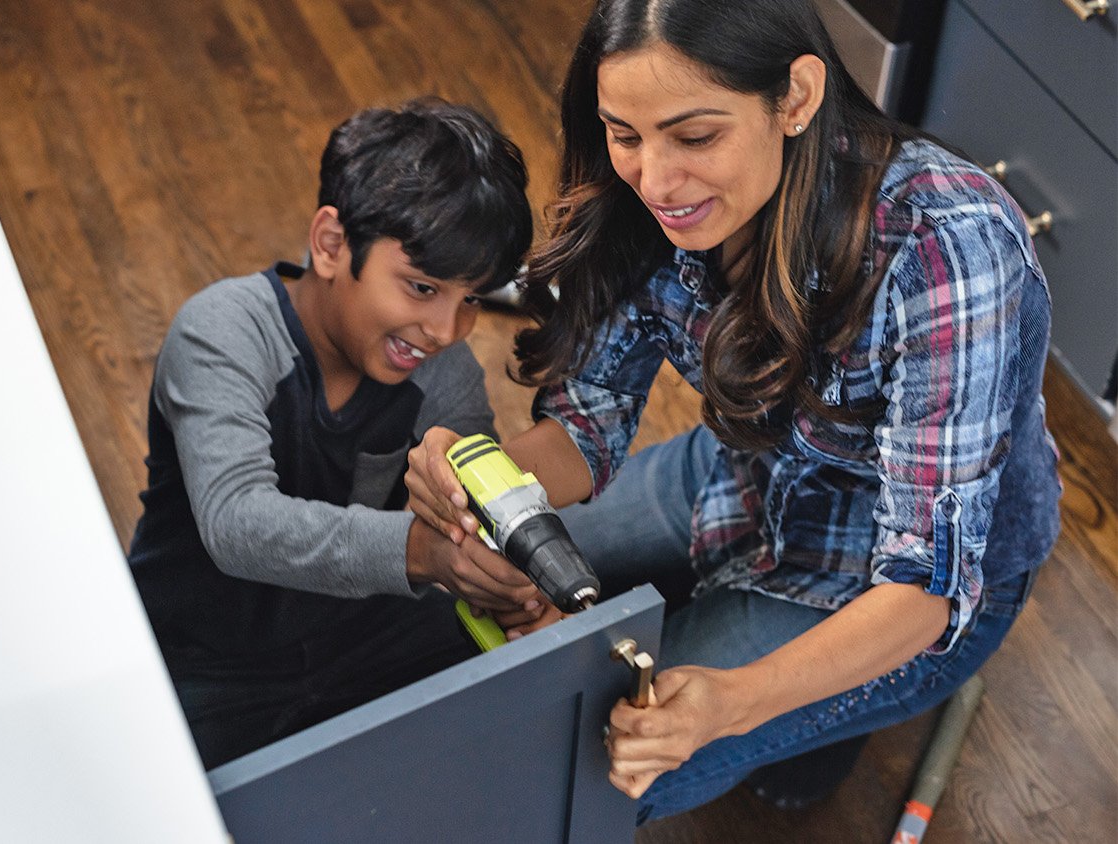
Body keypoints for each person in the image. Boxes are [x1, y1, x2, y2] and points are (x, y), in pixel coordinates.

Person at [405, 0, 1062, 823]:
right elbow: (588, 420)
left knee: (582, 778)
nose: (654, 181)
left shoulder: (946, 244)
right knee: (438, 595)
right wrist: (481, 493)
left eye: (695, 137)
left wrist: (735, 702)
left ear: (796, 97)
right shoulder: (641, 191)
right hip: (748, 474)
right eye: (625, 134)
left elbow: (924, 581)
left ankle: (838, 703)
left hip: (902, 591)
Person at [128, 98, 542, 769]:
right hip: (200, 656)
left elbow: (467, 521)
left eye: (470, 299)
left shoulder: (444, 372)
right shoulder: (223, 332)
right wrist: (423, 551)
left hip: (365, 633)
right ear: (330, 244)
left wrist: (508, 585)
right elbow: (237, 522)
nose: (446, 330)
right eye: (421, 287)